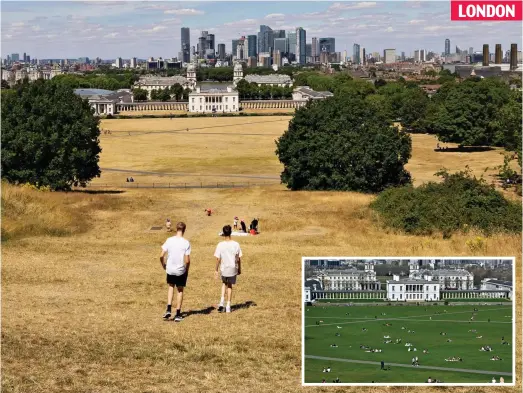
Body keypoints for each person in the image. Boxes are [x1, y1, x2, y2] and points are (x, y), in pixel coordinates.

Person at [160, 222, 191, 322]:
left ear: (176, 229)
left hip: (170, 268)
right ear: (184, 230)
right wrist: (187, 270)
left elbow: (161, 255)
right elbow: (187, 260)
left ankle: (168, 309)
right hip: (180, 270)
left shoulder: (169, 240)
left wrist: (164, 265)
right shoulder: (186, 242)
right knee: (180, 290)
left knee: (170, 287)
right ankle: (178, 314)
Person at [214, 225, 242, 313]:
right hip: (233, 268)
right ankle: (228, 306)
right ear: (231, 232)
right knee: (229, 286)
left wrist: (216, 269)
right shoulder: (236, 244)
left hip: (224, 268)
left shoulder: (220, 245)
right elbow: (238, 258)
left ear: (223, 233)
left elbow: (218, 259)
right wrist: (239, 269)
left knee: (224, 283)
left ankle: (221, 302)